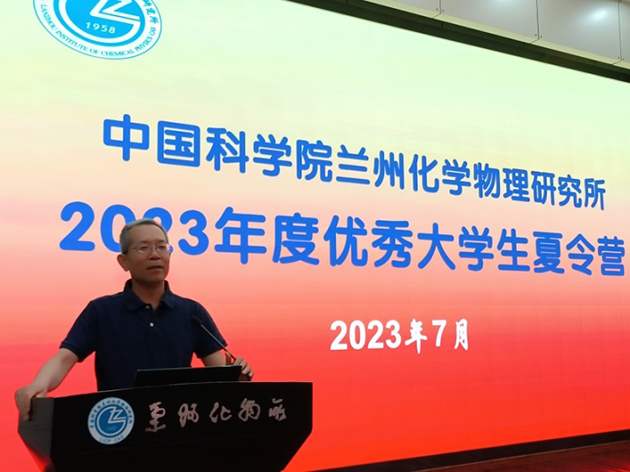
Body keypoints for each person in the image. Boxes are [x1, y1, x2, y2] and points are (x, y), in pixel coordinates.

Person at [15, 218, 252, 420]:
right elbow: (64, 358)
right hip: (118, 427)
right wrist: (39, 385)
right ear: (123, 261)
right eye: (143, 248)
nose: (155, 255)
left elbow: (218, 372)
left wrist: (234, 377)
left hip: (178, 427)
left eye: (162, 247)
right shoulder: (102, 311)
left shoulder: (192, 312)